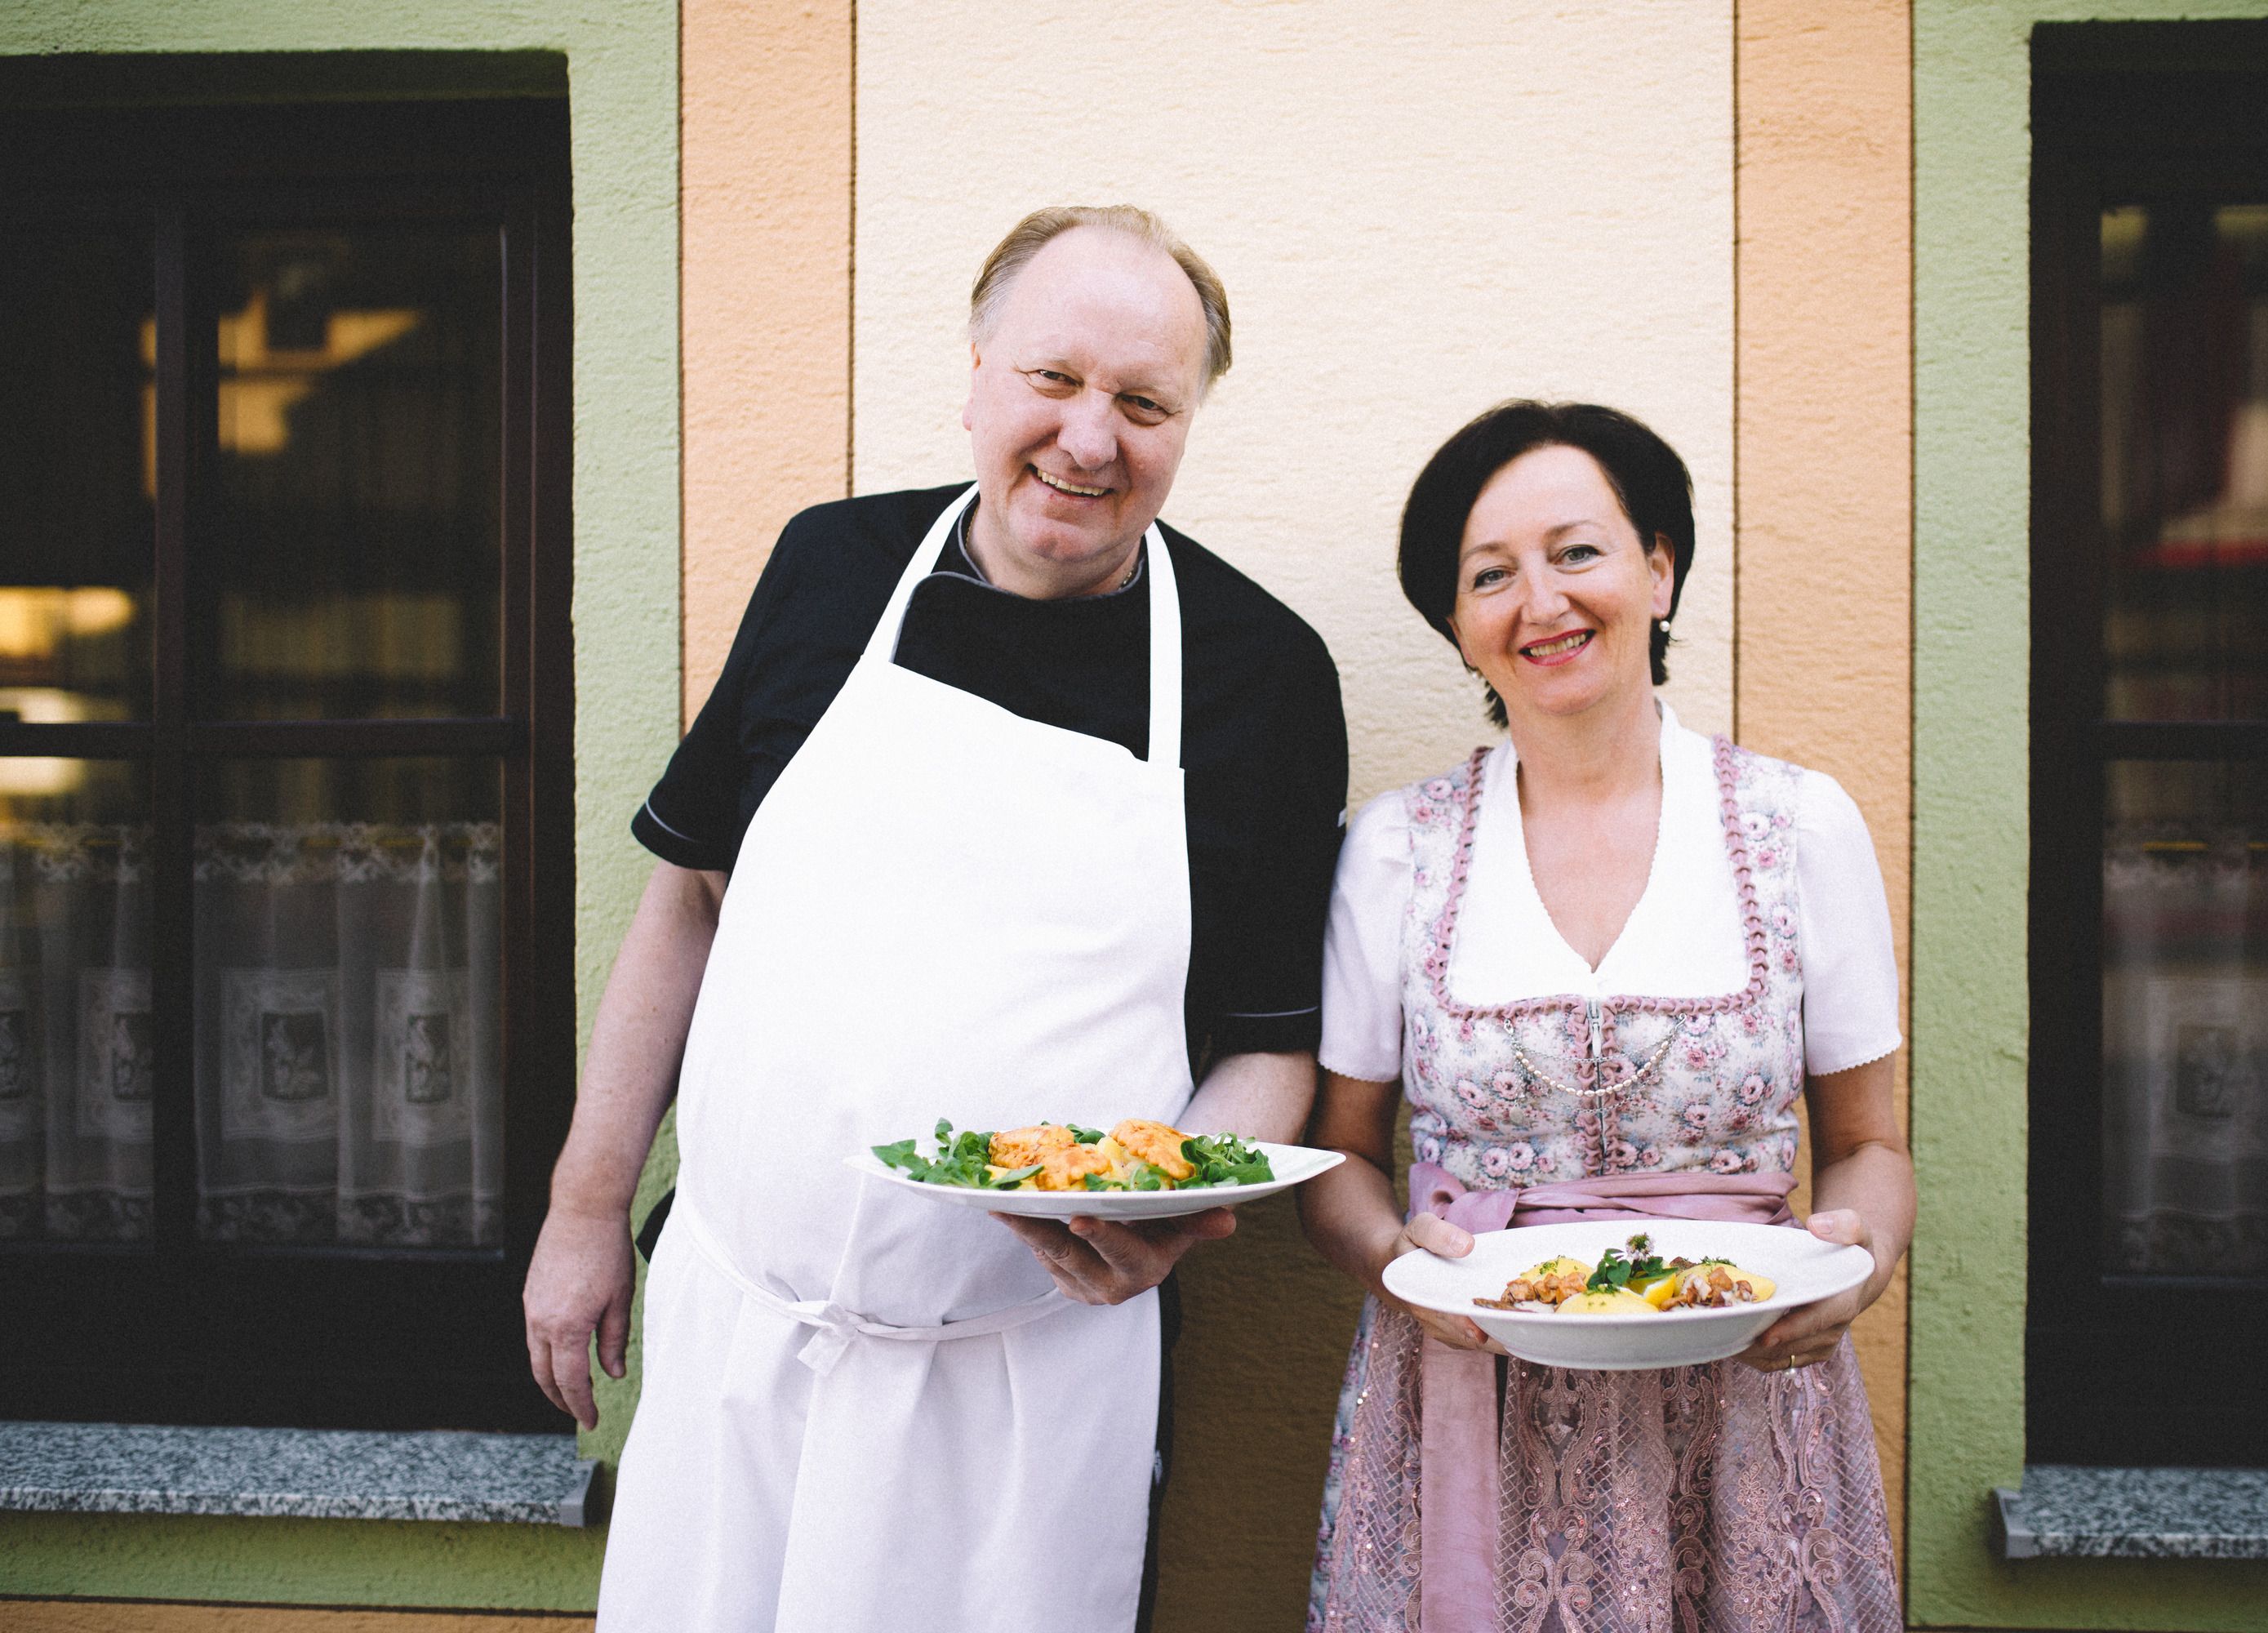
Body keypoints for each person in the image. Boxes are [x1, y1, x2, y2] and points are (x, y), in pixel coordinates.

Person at [523, 205, 1348, 1632]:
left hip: (1027, 1388)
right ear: (976, 372)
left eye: (1145, 404)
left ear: (1189, 424)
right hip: (740, 1345)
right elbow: (690, 900)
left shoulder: (1261, 674)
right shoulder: (829, 569)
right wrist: (586, 1205)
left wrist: (1180, 1201)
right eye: (1054, 379)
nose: (1092, 440)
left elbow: (1274, 1047)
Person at [1299, 401, 1910, 1632]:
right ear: (1460, 627)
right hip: (1471, 1392)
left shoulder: (1800, 826)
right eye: (1490, 575)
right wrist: (1396, 1268)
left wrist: (1858, 1266)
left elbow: (1873, 1145)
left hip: (1742, 1401)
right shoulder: (1395, 851)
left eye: (1577, 551)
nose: (1542, 602)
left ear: (1660, 568)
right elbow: (1344, 1156)